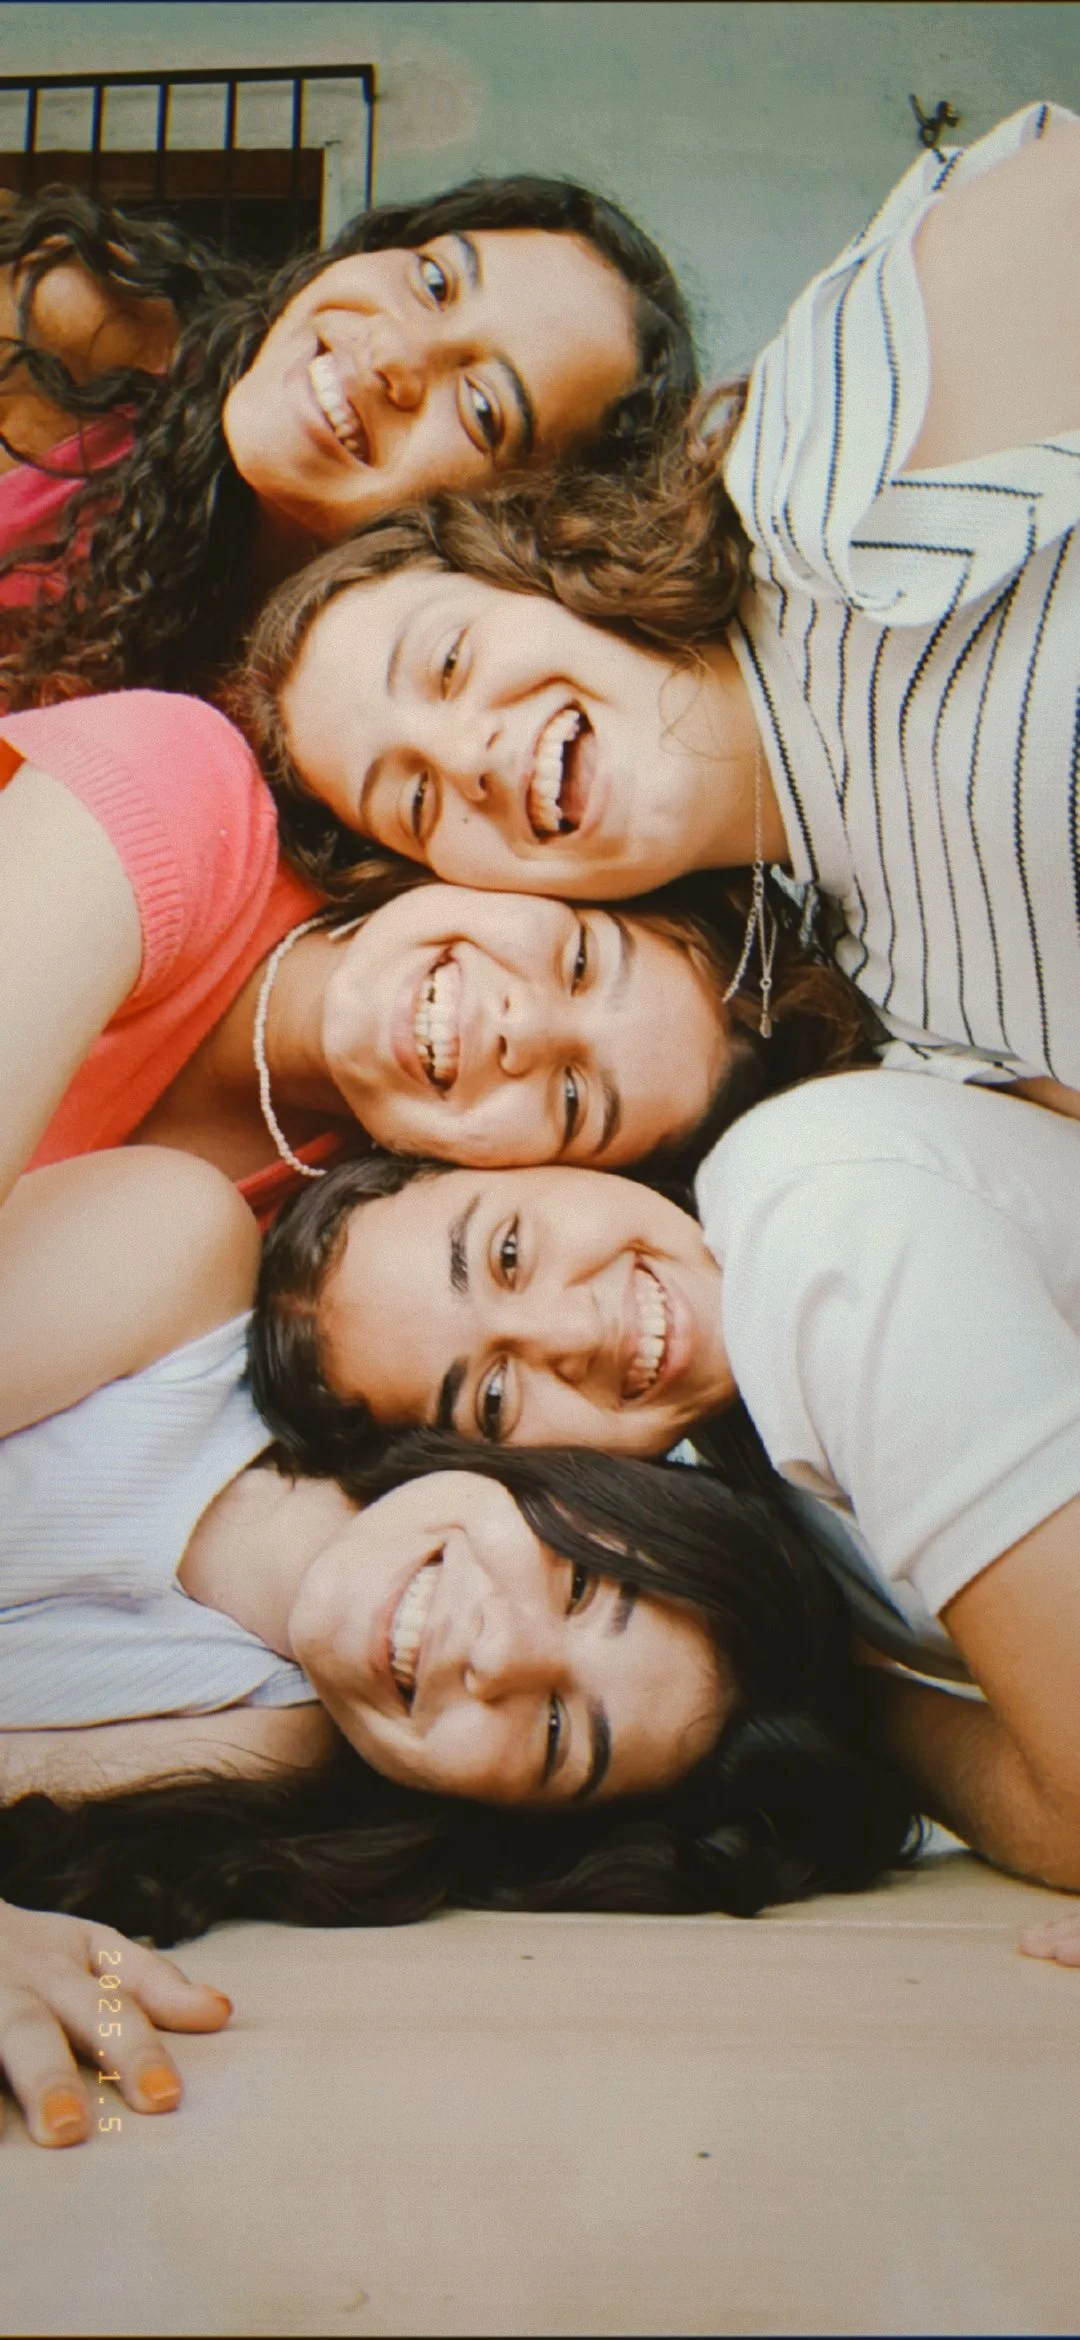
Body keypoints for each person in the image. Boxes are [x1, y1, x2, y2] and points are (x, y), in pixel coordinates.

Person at [0, 1148, 918, 2148]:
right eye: (576, 1578)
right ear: (557, 1471)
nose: (502, 1656)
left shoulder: (265, 1760)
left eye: (561, 1729)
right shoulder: (172, 1265)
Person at [242, 102, 1080, 1112]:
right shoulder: (907, 1017)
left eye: (449, 661)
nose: (464, 757)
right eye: (414, 802)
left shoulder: (813, 480)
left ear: (533, 561)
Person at [248, 1068, 1080, 1895]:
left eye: (508, 1251)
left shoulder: (816, 1234)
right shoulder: (748, 1468)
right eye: (494, 1397)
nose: (573, 1330)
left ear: (538, 1158)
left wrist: (861, 1706)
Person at [0, 684, 871, 1227]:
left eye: (572, 1099)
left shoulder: (267, 1251)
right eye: (576, 962)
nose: (520, 1027)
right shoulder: (182, 793)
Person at [0, 173, 696, 700]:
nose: (392, 354)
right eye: (434, 280)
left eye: (484, 409)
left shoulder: (387, 742)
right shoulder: (77, 336)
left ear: (515, 521)